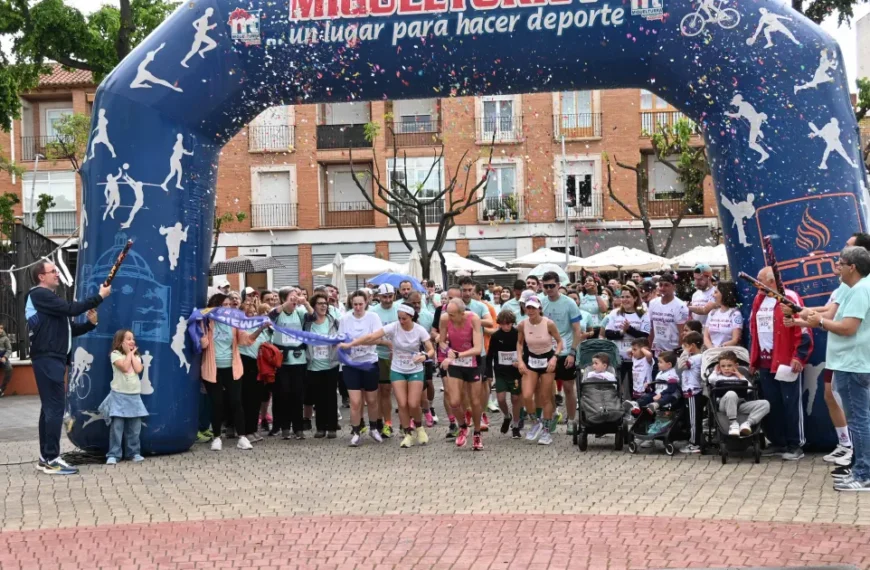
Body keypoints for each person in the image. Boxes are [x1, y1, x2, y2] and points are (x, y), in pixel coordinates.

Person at [27, 260, 109, 475]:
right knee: (54, 408)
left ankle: (46, 457)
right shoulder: (39, 294)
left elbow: (69, 328)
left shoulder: (48, 301)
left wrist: (91, 324)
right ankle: (52, 459)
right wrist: (99, 297)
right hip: (48, 358)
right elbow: (71, 309)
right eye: (52, 271)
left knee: (49, 410)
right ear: (41, 277)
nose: (57, 274)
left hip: (52, 358)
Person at [803, 247, 870, 491]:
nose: (837, 267)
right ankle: (859, 470)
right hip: (852, 363)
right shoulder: (857, 288)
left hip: (853, 364)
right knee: (860, 421)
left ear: (852, 267)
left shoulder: (862, 290)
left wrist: (818, 321)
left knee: (859, 422)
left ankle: (864, 475)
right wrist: (812, 318)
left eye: (840, 263)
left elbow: (848, 328)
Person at [341, 304, 434, 448]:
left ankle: (419, 427)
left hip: (415, 369)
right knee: (402, 403)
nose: (401, 321)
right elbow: (371, 336)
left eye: (404, 319)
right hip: (397, 369)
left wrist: (425, 356)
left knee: (413, 403)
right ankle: (408, 434)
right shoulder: (394, 327)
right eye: (399, 318)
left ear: (411, 317)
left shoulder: (419, 330)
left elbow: (431, 349)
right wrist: (351, 344)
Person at [749, 266, 812, 461]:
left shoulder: (789, 297)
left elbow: (803, 330)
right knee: (772, 403)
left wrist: (799, 356)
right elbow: (754, 329)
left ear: (771, 281)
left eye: (759, 280)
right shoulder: (758, 299)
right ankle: (777, 441)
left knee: (790, 403)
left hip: (785, 360)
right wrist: (754, 359)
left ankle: (795, 444)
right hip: (766, 362)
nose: (756, 284)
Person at [200, 294, 269, 451]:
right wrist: (201, 334)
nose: (228, 307)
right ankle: (217, 437)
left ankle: (242, 437)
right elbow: (202, 344)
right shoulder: (207, 322)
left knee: (236, 402)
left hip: (233, 368)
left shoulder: (233, 324)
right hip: (213, 369)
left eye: (229, 304)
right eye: (224, 304)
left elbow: (246, 340)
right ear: (215, 306)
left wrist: (260, 328)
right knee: (217, 403)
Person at [338, 291, 384, 447]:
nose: (357, 307)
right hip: (351, 364)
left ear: (366, 303)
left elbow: (376, 338)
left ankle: (373, 428)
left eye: (360, 304)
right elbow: (341, 340)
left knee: (371, 400)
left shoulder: (373, 318)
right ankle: (356, 431)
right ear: (351, 303)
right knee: (355, 402)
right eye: (355, 304)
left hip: (369, 362)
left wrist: (355, 342)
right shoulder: (344, 319)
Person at [541, 271, 583, 435]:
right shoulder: (541, 302)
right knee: (548, 388)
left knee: (568, 387)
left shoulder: (569, 303)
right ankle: (551, 416)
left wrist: (573, 352)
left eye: (552, 285)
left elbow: (577, 330)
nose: (549, 289)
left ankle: (572, 420)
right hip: (547, 351)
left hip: (566, 350)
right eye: (546, 286)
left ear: (558, 285)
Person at [439, 298, 485, 449]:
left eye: (452, 315)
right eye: (448, 314)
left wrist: (458, 355)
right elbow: (441, 341)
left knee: (475, 401)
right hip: (456, 363)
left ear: (461, 313)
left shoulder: (474, 319)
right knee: (454, 402)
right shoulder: (445, 318)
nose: (449, 317)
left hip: (472, 362)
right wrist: (448, 351)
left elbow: (478, 348)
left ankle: (477, 433)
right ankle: (463, 426)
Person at [517, 297, 563, 446]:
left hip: (547, 361)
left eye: (533, 308)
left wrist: (555, 358)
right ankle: (536, 422)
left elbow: (559, 341)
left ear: (539, 309)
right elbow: (519, 343)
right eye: (528, 308)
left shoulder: (548, 323)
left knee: (545, 397)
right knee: (527, 395)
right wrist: (520, 361)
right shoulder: (522, 324)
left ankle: (547, 431)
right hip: (531, 360)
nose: (530, 311)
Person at [269, 287, 311, 440]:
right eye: (291, 297)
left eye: (296, 297)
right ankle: (285, 427)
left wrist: (305, 302)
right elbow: (269, 317)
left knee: (298, 395)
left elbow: (312, 317)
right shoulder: (278, 313)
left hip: (298, 359)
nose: (295, 300)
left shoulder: (299, 312)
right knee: (284, 394)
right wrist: (285, 304)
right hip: (283, 360)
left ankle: (298, 428)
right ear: (283, 299)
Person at [100, 329, 148, 464]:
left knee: (135, 427)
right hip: (119, 395)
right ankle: (114, 454)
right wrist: (128, 354)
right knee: (117, 427)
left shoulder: (136, 356)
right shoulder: (115, 355)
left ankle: (133, 453)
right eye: (128, 339)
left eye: (133, 338)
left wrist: (131, 354)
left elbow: (138, 369)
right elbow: (125, 367)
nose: (132, 341)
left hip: (134, 396)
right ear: (120, 341)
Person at [708, 351, 770, 437]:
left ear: (736, 366)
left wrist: (740, 375)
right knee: (731, 393)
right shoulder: (717, 377)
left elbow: (749, 388)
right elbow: (710, 380)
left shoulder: (739, 377)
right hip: (724, 405)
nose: (726, 368)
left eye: (729, 365)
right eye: (723, 366)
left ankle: (747, 423)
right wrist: (715, 371)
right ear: (719, 367)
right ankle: (733, 423)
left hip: (740, 404)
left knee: (765, 404)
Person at [304, 292, 341, 439]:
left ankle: (332, 427)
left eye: (325, 303)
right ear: (314, 306)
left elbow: (341, 337)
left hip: (331, 364)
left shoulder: (334, 321)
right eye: (320, 303)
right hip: (314, 365)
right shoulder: (308, 323)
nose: (323, 306)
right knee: (318, 398)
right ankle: (320, 428)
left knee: (331, 396)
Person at [604, 286, 650, 399]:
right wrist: (621, 332)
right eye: (623, 297)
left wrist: (629, 330)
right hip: (619, 357)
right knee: (616, 386)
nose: (625, 300)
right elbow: (608, 334)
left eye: (628, 297)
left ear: (635, 298)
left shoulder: (643, 314)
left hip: (636, 359)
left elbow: (644, 336)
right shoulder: (615, 313)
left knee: (635, 387)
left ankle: (635, 412)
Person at [239, 295, 270, 444]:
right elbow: (248, 339)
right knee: (247, 399)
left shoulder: (261, 326)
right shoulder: (239, 326)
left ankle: (254, 428)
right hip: (245, 363)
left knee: (256, 399)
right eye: (247, 312)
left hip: (259, 364)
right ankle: (246, 431)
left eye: (252, 311)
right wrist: (261, 328)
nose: (251, 314)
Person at [370, 283, 399, 437]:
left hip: (396, 355)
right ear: (378, 297)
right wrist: (386, 343)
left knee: (387, 391)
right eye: (384, 297)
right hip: (378, 354)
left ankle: (388, 422)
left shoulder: (399, 310)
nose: (388, 300)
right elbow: (371, 334)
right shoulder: (373, 312)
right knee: (377, 392)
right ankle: (379, 421)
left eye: (390, 296)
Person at [487, 310, 522, 438]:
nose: (506, 326)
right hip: (501, 371)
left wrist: (520, 361)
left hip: (515, 372)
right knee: (501, 399)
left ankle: (516, 425)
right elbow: (490, 355)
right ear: (499, 324)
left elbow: (524, 350)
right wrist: (489, 373)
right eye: (503, 324)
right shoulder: (496, 336)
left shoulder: (518, 334)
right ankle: (507, 416)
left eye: (509, 324)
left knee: (516, 399)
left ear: (512, 323)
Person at [407, 291, 438, 427]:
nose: (416, 305)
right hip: (410, 359)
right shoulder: (405, 317)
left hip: (426, 356)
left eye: (418, 302)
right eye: (413, 303)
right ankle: (415, 413)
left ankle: (429, 407)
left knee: (428, 383)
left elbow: (434, 334)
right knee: (414, 387)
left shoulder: (427, 316)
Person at [624, 351, 680, 417]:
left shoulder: (672, 375)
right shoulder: (660, 373)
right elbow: (657, 386)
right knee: (647, 396)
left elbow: (672, 389)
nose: (658, 364)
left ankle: (655, 405)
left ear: (669, 364)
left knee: (667, 397)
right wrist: (649, 385)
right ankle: (636, 404)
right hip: (658, 393)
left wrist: (660, 394)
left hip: (669, 395)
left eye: (660, 362)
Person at [647, 273, 689, 358]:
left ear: (674, 287)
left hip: (673, 351)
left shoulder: (680, 306)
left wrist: (678, 353)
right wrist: (649, 348)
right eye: (661, 285)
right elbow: (651, 329)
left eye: (666, 285)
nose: (662, 288)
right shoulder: (653, 303)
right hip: (657, 351)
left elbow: (682, 333)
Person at [703, 281, 743, 349]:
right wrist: (712, 349)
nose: (713, 295)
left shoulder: (735, 314)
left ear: (724, 294)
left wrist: (721, 348)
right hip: (711, 352)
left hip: (728, 352)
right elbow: (706, 337)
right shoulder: (712, 313)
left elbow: (735, 340)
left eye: (716, 292)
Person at [0, 323, 12, 397]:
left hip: (3, 357)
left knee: (9, 369)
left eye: (1, 329)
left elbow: (9, 349)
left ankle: (2, 389)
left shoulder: (5, 338)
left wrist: (5, 357)